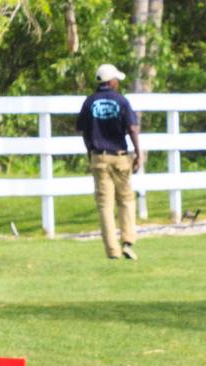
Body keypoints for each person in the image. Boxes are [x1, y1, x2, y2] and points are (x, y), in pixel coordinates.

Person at [77, 65, 142, 262]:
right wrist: (138, 153)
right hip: (120, 156)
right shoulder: (121, 100)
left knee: (105, 205)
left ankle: (112, 251)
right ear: (111, 81)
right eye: (117, 79)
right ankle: (128, 242)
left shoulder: (89, 102)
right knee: (126, 199)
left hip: (98, 156)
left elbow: (84, 131)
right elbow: (132, 128)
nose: (118, 82)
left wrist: (90, 152)